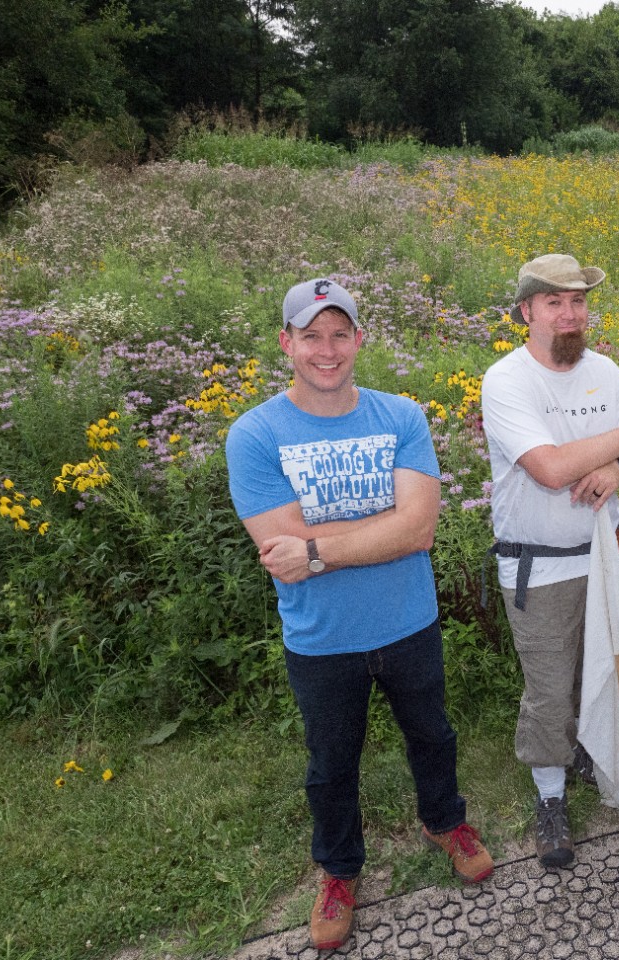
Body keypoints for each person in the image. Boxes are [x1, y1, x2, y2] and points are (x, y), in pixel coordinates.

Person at [225, 278, 493, 951]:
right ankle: (340, 869)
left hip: (409, 621)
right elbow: (279, 549)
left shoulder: (400, 415)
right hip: (322, 638)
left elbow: (419, 531)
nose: (327, 349)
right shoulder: (255, 434)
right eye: (311, 335)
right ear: (286, 343)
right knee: (331, 762)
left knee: (432, 733)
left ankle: (445, 820)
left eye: (339, 333)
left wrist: (318, 545)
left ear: (359, 340)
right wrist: (380, 527)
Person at [480, 253, 619, 869]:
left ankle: (585, 749)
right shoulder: (506, 381)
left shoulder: (604, 372)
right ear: (526, 311)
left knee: (595, 668)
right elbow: (549, 469)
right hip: (540, 565)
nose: (570, 312)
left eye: (578, 300)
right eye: (554, 301)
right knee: (550, 690)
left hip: (604, 554)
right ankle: (550, 799)